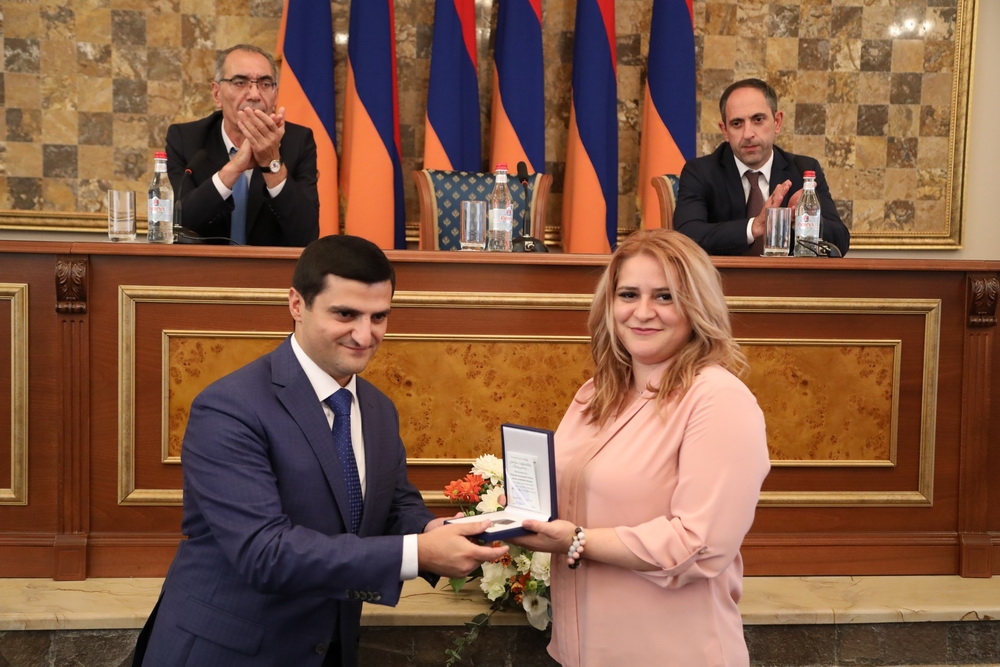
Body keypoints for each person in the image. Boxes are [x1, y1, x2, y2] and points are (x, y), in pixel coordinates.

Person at [134, 235, 507, 667]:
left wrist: (435, 529)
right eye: (345, 314)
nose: (365, 335)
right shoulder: (229, 407)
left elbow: (393, 507)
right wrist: (418, 553)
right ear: (297, 304)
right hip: (228, 652)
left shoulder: (378, 408)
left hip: (330, 646)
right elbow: (265, 552)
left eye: (379, 317)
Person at [511, 229, 771, 666]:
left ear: (697, 306)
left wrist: (577, 540)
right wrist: (511, 517)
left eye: (665, 297)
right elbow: (572, 495)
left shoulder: (718, 399)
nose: (643, 312)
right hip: (580, 652)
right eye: (629, 294)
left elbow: (700, 545)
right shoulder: (595, 393)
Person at [674, 78, 850, 256]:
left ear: (777, 122)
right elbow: (685, 236)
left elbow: (840, 241)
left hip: (786, 274)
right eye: (737, 124)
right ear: (725, 131)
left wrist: (803, 218)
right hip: (722, 274)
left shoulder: (803, 170)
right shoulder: (700, 172)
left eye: (758, 119)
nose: (748, 134)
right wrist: (754, 226)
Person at [165, 44, 319, 246]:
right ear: (217, 94)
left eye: (265, 84)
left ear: (275, 95)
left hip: (269, 265)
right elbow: (179, 224)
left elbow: (307, 235)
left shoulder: (298, 141)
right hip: (206, 265)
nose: (254, 95)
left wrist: (271, 162)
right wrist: (234, 168)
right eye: (240, 83)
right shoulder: (185, 139)